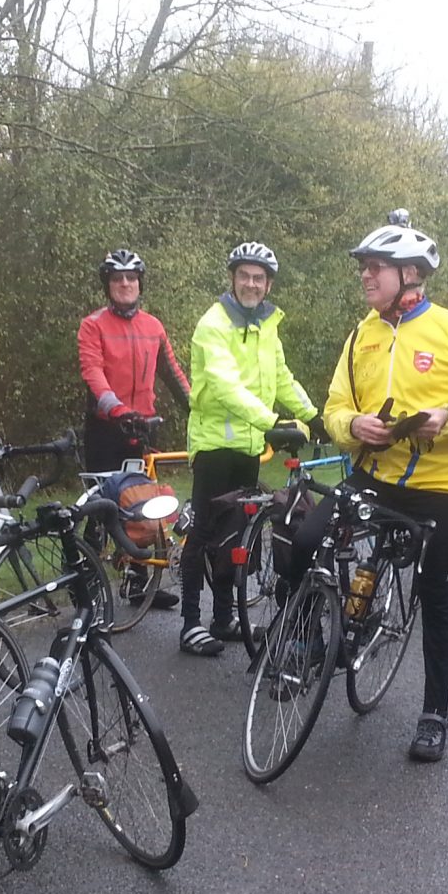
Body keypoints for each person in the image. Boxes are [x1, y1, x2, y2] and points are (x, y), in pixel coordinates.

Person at [323, 216, 448, 762]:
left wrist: (445, 418)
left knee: (437, 597)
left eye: (374, 268)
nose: (365, 277)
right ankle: (311, 638)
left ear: (409, 274)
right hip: (375, 476)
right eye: (364, 268)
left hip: (441, 486)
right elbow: (334, 408)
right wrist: (354, 425)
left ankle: (434, 714)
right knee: (304, 533)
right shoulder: (362, 334)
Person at [179, 241, 326, 656]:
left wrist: (313, 416)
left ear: (268, 283)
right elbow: (225, 386)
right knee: (205, 530)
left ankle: (223, 619)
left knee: (236, 533)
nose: (250, 283)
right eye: (244, 275)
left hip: (246, 445)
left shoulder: (267, 326)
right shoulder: (214, 324)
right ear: (233, 278)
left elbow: (281, 378)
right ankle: (190, 624)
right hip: (212, 445)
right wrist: (272, 422)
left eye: (258, 277)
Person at [78, 248, 191, 472]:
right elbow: (93, 373)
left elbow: (173, 374)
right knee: (105, 502)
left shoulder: (153, 326)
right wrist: (117, 409)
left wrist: (198, 409)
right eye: (117, 278)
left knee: (145, 501)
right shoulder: (93, 325)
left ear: (140, 284)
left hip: (144, 427)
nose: (125, 283)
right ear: (107, 286)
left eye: (131, 277)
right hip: (106, 429)